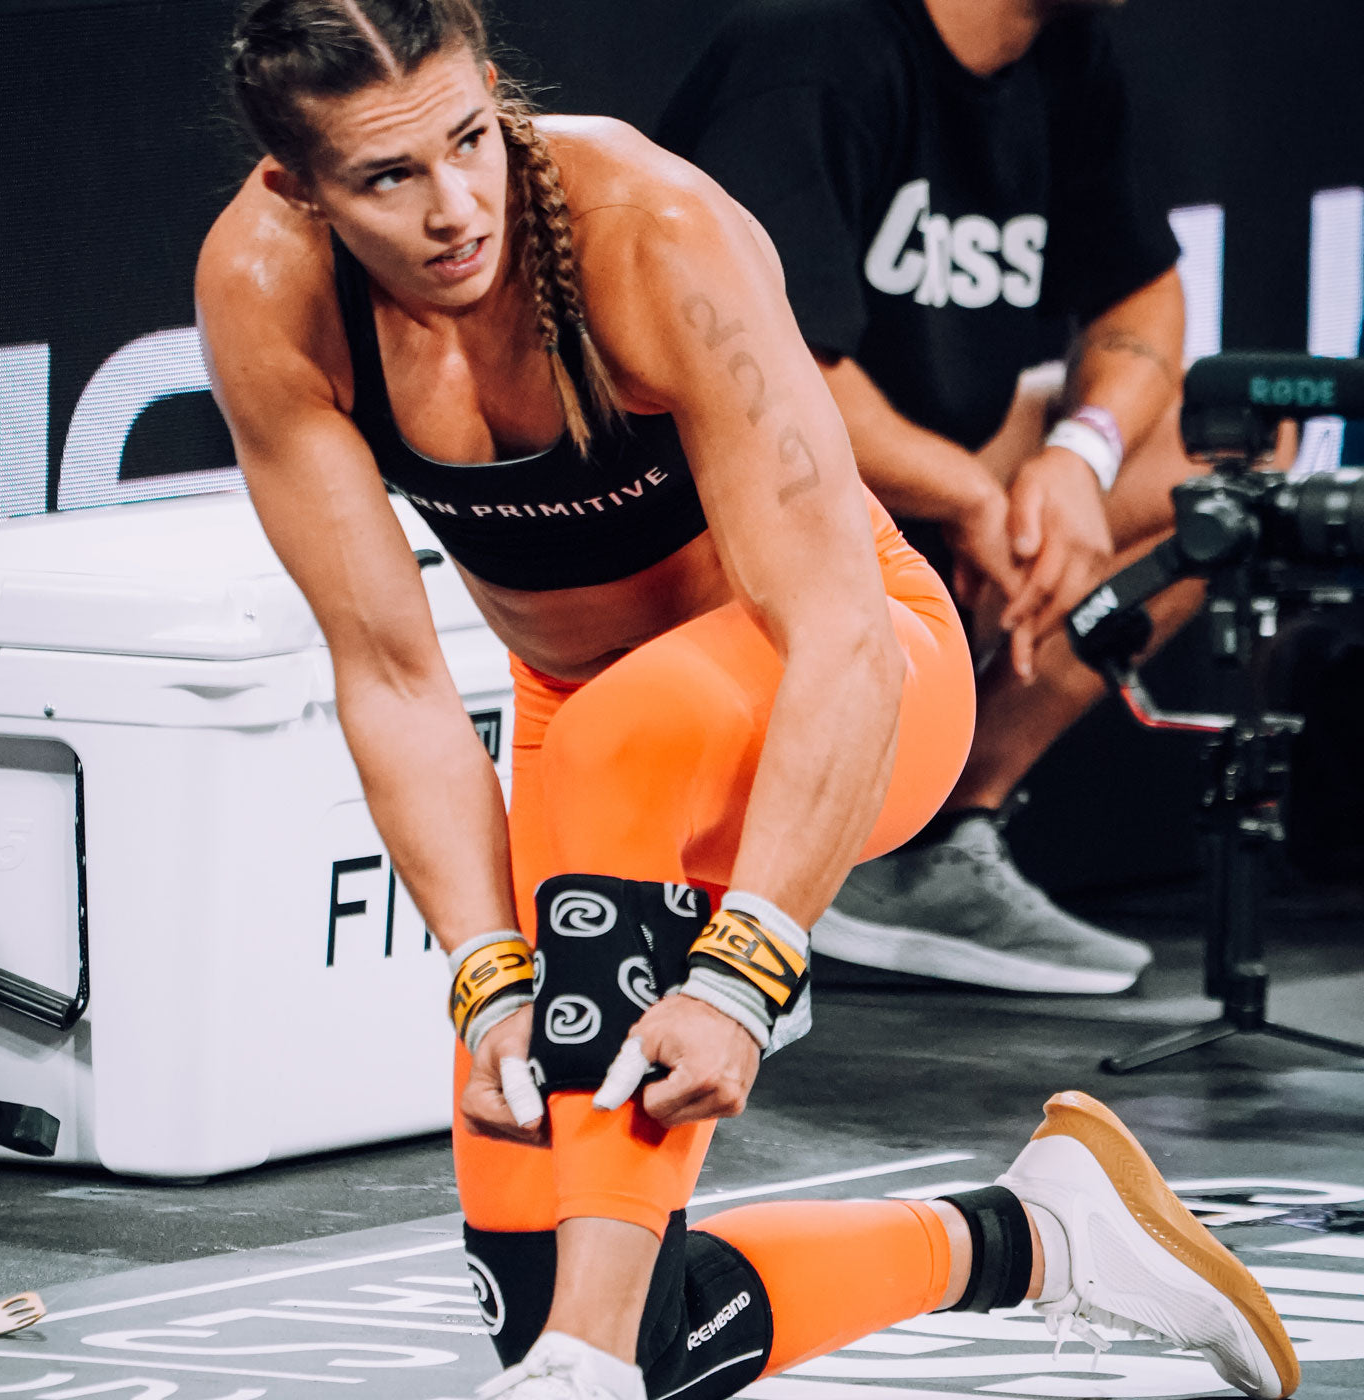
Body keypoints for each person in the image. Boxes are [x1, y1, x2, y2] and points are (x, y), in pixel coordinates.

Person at [197, 4, 1298, 1399]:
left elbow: (837, 630)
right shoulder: (266, 289)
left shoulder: (650, 230)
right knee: (566, 1297)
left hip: (860, 678)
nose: (454, 206)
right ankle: (1040, 1235)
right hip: (587, 729)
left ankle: (584, 1367)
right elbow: (397, 674)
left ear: (492, 90)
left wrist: (744, 967)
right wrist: (486, 974)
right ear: (300, 187)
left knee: (585, 1321)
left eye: (470, 139)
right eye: (387, 177)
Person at [658, 0, 1204, 995]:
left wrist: (1078, 457)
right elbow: (762, 379)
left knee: (1214, 448)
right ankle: (813, 826)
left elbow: (1144, 292)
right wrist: (970, 497)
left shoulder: (1064, 49)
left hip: (914, 489)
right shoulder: (814, 47)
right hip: (728, 513)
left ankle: (930, 837)